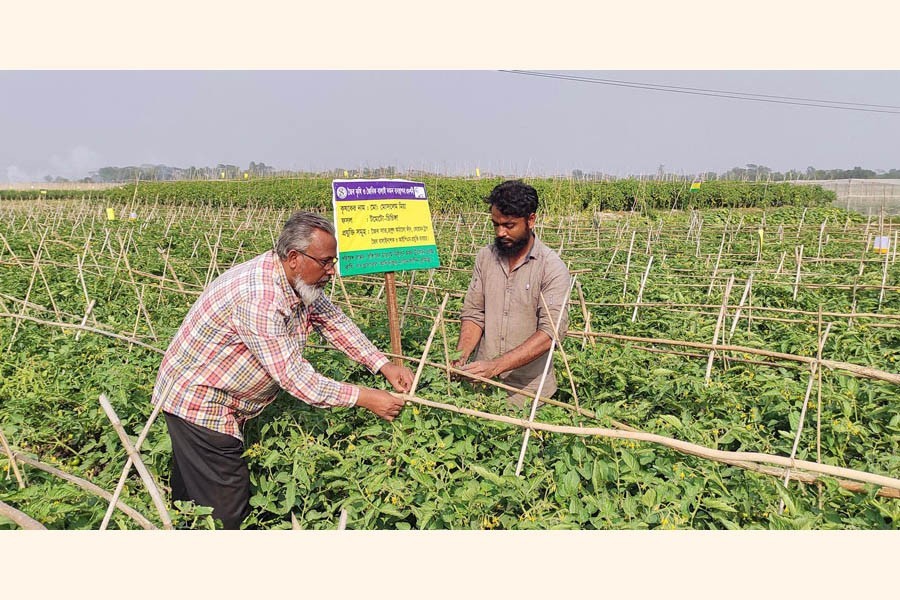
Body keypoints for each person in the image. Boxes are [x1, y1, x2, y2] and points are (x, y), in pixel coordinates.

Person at [152, 211, 411, 529]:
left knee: (195, 494)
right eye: (326, 262)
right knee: (225, 507)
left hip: (221, 396)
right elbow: (297, 379)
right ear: (294, 257)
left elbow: (332, 321)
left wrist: (381, 364)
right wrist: (366, 397)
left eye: (334, 261)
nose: (332, 271)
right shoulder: (259, 299)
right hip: (199, 401)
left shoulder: (297, 280)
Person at [452, 180, 571, 410]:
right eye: (495, 224)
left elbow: (550, 333)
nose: (501, 232)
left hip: (530, 395)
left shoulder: (551, 267)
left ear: (531, 220)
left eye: (509, 225)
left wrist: (496, 366)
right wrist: (462, 355)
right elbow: (474, 314)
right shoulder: (485, 257)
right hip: (482, 388)